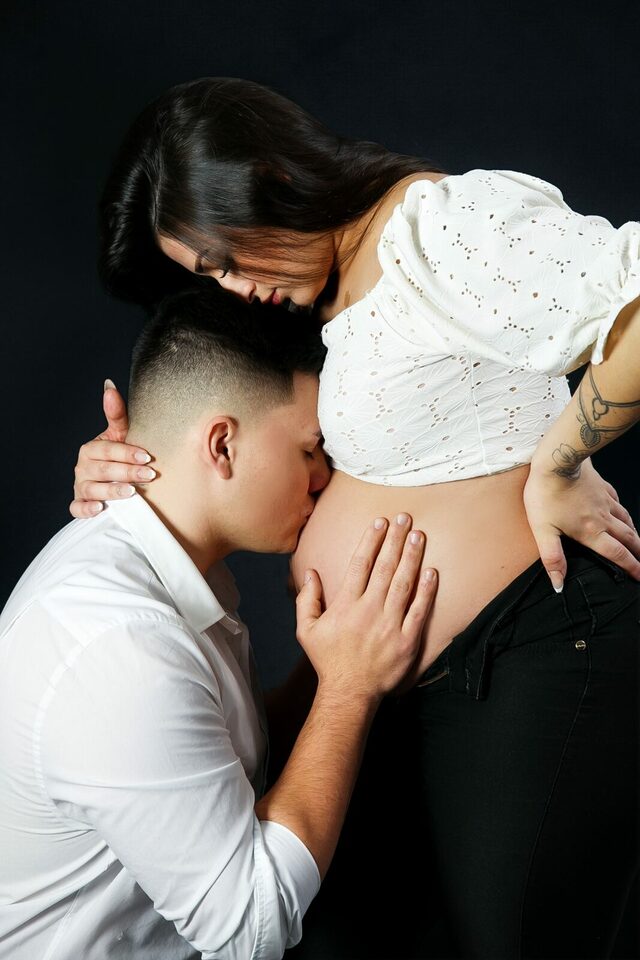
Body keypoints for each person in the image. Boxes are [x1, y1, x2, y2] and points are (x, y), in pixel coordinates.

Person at [71, 78, 640, 958]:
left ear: (265, 176)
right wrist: (126, 463)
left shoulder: (435, 227)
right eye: (209, 278)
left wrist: (561, 459)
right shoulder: (319, 302)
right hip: (406, 682)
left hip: (537, 643)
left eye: (224, 259)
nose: (234, 287)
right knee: (340, 934)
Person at [0, 286, 438, 960]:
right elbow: (247, 929)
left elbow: (219, 762)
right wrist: (348, 690)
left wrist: (336, 664)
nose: (323, 476)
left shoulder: (173, 571)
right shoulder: (118, 644)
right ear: (223, 445)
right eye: (310, 449)